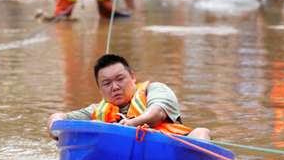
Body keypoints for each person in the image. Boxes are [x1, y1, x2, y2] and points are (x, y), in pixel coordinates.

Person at [47, 54, 210, 140]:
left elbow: (157, 114)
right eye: (107, 83)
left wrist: (130, 124)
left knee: (201, 132)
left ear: (133, 77)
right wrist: (55, 125)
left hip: (168, 148)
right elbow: (61, 117)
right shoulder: (97, 111)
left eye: (120, 79)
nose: (115, 87)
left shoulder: (155, 90)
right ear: (100, 89)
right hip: (122, 156)